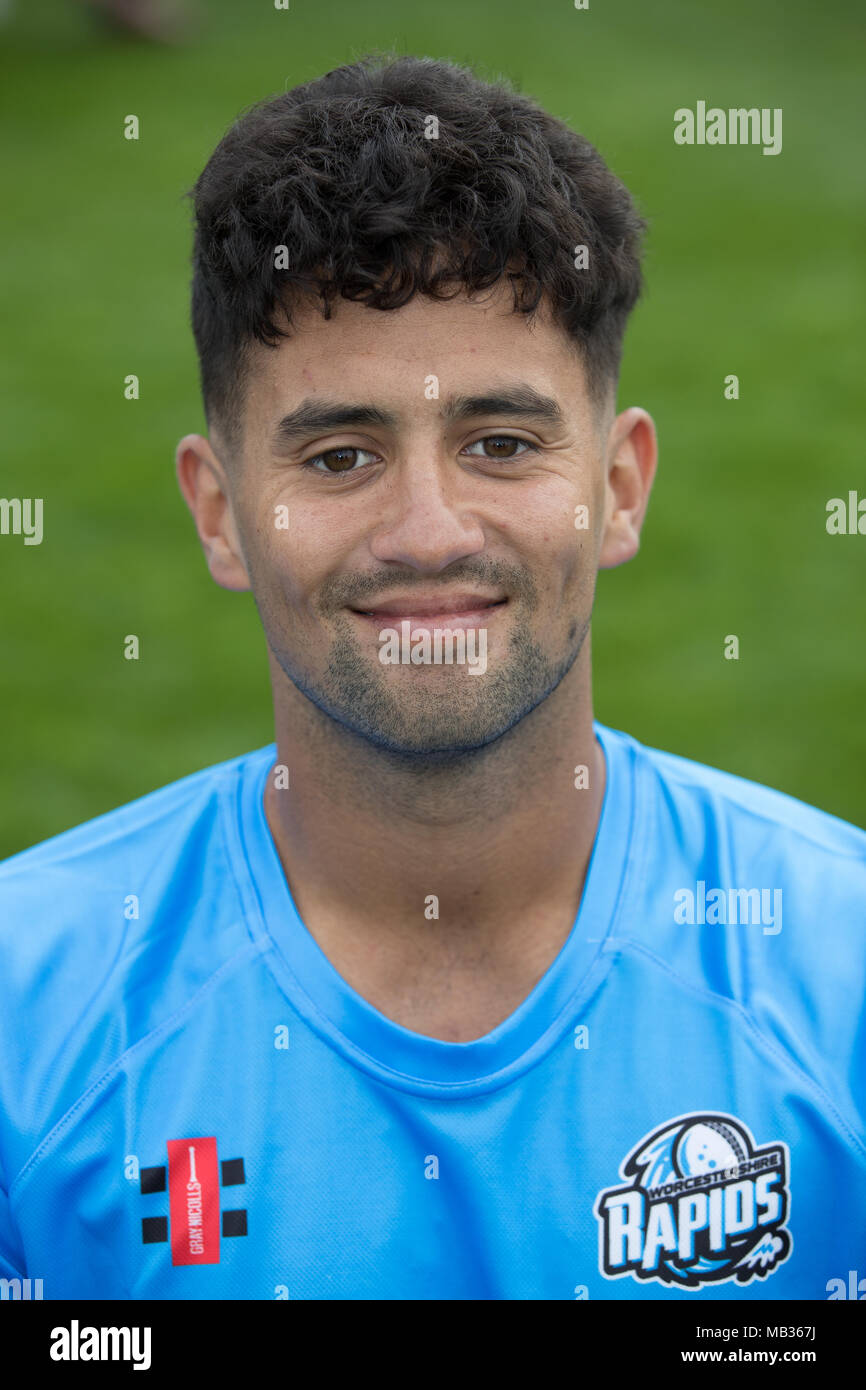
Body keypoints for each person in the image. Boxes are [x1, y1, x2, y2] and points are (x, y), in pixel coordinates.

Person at [0, 54, 863, 1302]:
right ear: (219, 511)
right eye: (341, 454)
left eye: (500, 443)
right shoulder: (30, 1019)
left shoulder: (835, 984)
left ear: (616, 487)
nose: (428, 530)